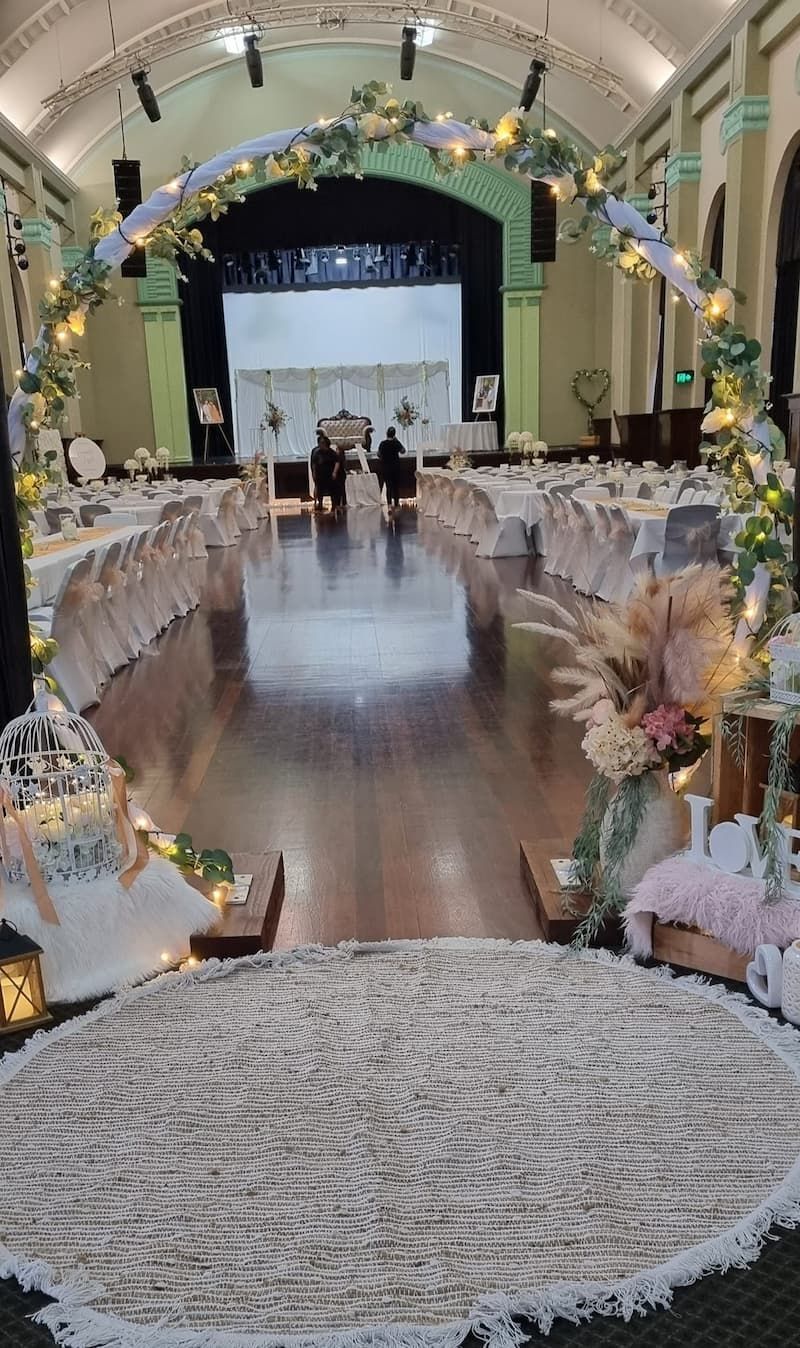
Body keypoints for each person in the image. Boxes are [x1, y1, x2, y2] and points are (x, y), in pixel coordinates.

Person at [376, 426, 406, 509]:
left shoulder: (383, 443)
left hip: (386, 468)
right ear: (394, 434)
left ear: (386, 434)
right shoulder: (396, 443)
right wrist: (397, 440)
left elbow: (378, 454)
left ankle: (389, 504)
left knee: (388, 486)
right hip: (395, 467)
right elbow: (403, 451)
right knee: (396, 486)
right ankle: (396, 504)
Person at [310, 432, 337, 511]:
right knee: (320, 490)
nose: (320, 444)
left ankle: (334, 505)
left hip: (329, 475)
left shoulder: (331, 452)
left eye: (322, 443)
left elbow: (337, 461)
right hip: (320, 475)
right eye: (319, 443)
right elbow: (314, 463)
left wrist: (334, 472)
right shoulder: (317, 452)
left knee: (332, 490)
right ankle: (320, 504)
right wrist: (314, 473)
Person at [331, 443, 348, 510]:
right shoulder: (342, 458)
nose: (336, 451)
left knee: (339, 489)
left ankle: (339, 503)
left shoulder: (338, 458)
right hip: (342, 474)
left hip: (340, 474)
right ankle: (343, 503)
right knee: (342, 489)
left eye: (337, 449)